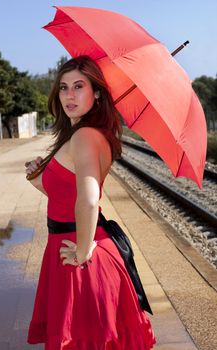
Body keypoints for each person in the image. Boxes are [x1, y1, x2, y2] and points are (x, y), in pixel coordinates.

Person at [25, 55, 156, 349]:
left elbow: (87, 198)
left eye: (79, 86)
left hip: (80, 254)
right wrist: (38, 178)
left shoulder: (84, 135)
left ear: (96, 92)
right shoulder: (88, 133)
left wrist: (82, 251)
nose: (69, 95)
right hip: (77, 246)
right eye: (63, 87)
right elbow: (68, 196)